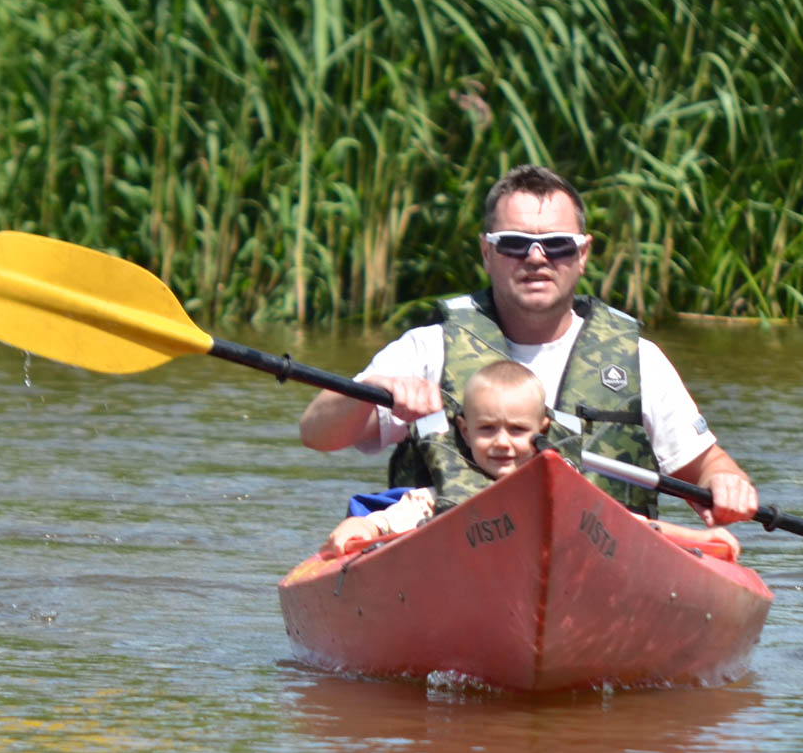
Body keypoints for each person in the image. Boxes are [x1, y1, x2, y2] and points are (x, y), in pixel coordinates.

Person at [299, 164, 759, 526]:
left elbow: (706, 467)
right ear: (486, 252)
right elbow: (318, 434)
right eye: (515, 243)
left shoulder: (640, 361)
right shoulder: (427, 349)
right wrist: (374, 388)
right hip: (456, 560)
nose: (537, 258)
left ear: (582, 255)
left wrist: (727, 483)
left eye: (557, 245)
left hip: (596, 566)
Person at [320, 361, 741, 558]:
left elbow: (633, 525)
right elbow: (389, 520)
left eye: (517, 431)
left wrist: (702, 540)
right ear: (464, 432)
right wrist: (359, 525)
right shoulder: (436, 495)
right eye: (487, 430)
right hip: (463, 588)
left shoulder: (557, 493)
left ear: (540, 432)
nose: (502, 442)